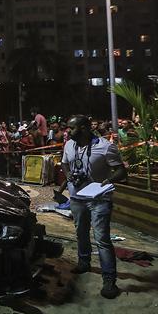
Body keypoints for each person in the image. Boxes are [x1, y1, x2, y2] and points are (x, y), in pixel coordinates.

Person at [58, 115, 126, 300]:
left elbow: (121, 171)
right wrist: (68, 174)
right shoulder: (69, 145)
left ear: (84, 128)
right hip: (76, 197)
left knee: (102, 238)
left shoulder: (105, 146)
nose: (67, 131)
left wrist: (108, 180)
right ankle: (84, 262)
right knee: (80, 232)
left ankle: (109, 280)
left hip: (99, 199)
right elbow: (64, 163)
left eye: (71, 128)